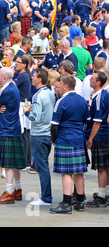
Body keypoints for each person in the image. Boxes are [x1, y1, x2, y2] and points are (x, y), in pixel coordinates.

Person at [49, 75, 89, 214]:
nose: (56, 88)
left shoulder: (61, 101)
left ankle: (66, 203)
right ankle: (80, 202)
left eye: (58, 85)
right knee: (79, 172)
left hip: (64, 139)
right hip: (79, 139)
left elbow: (54, 125)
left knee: (66, 173)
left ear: (65, 86)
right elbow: (87, 120)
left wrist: (54, 139)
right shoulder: (82, 100)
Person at [0, 67, 25, 204]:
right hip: (14, 128)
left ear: (4, 77)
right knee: (15, 164)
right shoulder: (14, 87)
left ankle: (9, 192)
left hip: (6, 128)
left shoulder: (4, 90)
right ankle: (18, 189)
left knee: (9, 164)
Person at [24, 68, 55, 206]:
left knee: (42, 167)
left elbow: (35, 118)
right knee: (43, 166)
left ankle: (46, 198)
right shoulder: (50, 93)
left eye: (34, 76)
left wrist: (26, 112)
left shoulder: (37, 96)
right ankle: (46, 196)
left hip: (39, 134)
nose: (32, 78)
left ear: (39, 79)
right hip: (48, 133)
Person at [85, 71, 109, 208]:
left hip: (100, 135)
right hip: (105, 133)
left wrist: (90, 139)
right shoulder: (105, 94)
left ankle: (100, 196)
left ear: (98, 82)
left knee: (101, 168)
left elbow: (97, 122)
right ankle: (105, 193)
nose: (90, 80)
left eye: (93, 78)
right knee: (106, 166)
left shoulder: (99, 97)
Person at [14, 55, 33, 170]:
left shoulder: (23, 76)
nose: (15, 63)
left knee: (24, 134)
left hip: (22, 105)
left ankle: (25, 161)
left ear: (24, 65)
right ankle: (27, 160)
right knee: (26, 134)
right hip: (25, 104)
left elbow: (10, 85)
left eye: (18, 62)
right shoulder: (23, 75)